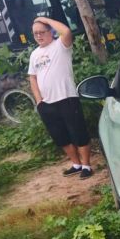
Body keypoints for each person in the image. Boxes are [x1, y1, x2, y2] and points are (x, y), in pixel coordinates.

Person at [28, 17, 93, 179]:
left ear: (50, 31)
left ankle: (86, 166)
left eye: (41, 32)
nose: (38, 36)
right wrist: (39, 101)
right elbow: (32, 78)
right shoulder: (34, 54)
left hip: (67, 98)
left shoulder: (61, 45)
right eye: (35, 33)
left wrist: (43, 18)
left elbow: (66, 31)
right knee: (61, 137)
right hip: (47, 104)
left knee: (79, 133)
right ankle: (76, 164)